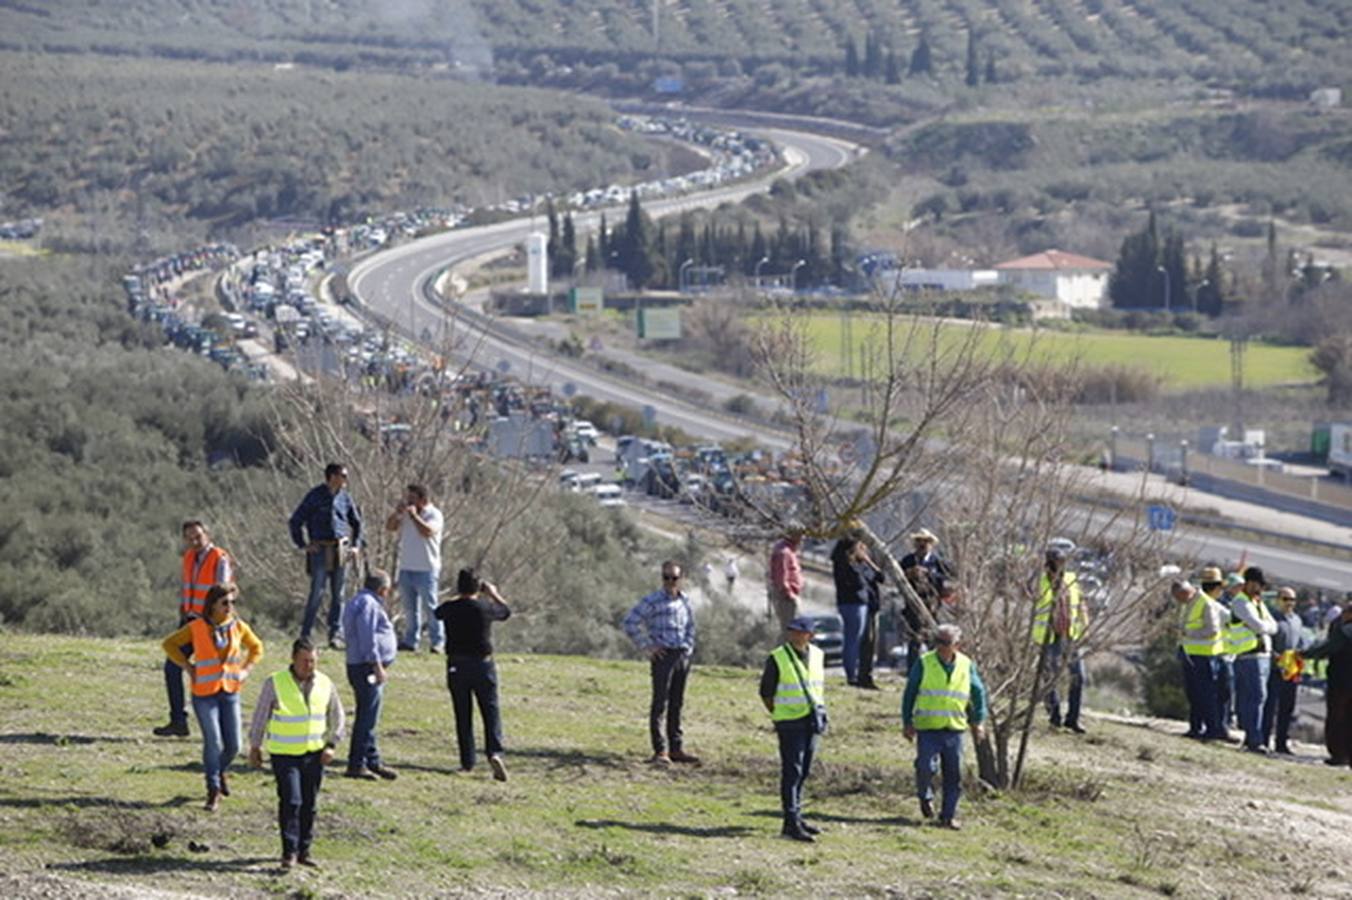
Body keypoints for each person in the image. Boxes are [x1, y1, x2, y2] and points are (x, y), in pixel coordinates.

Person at [161, 583, 263, 811]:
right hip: (204, 694)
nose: (230, 607)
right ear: (213, 605)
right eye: (225, 603)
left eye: (232, 603)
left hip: (230, 692)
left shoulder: (238, 627)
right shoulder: (196, 627)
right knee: (212, 740)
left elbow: (257, 648)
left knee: (234, 746)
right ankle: (213, 789)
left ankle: (218, 770)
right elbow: (169, 644)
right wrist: (187, 666)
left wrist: (246, 670)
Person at [248, 638, 346, 870]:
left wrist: (331, 744)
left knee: (309, 803)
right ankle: (289, 852)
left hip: (315, 754)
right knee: (291, 801)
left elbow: (337, 716)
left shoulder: (325, 683)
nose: (309, 665)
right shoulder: (275, 682)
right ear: (293, 659)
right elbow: (261, 716)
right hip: (284, 755)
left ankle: (304, 850)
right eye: (304, 661)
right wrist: (255, 746)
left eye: (313, 661)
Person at [901, 624, 987, 830]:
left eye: (946, 643)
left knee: (953, 774)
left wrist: (978, 722)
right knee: (925, 767)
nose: (941, 647)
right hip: (928, 727)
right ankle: (925, 796)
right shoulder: (924, 662)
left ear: (957, 645)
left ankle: (947, 816)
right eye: (938, 642)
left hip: (954, 728)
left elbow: (978, 693)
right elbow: (910, 692)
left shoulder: (967, 665)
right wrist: (907, 721)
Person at [156, 520, 234, 738]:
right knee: (172, 667)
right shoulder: (189, 557)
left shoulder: (219, 558)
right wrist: (184, 609)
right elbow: (188, 586)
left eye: (198, 536)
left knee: (213, 676)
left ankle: (221, 728)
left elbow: (224, 592)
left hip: (209, 625)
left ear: (207, 534)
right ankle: (178, 721)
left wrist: (214, 624)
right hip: (190, 621)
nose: (194, 541)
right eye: (190, 538)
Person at [435, 568, 512, 781]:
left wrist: (457, 595)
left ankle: (467, 762)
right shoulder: (485, 607)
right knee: (490, 711)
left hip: (457, 666)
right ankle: (494, 753)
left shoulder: (451, 608)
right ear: (479, 588)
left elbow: (437, 612)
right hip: (483, 665)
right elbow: (506, 612)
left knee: (463, 714)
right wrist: (493, 594)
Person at [623, 561, 699, 766]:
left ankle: (676, 748)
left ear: (681, 579)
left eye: (674, 578)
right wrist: (647, 646)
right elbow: (630, 622)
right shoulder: (652, 601)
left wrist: (688, 648)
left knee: (677, 703)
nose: (669, 582)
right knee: (660, 703)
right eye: (666, 577)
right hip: (663, 656)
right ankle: (660, 750)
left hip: (681, 656)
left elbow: (691, 626)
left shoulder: (686, 601)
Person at [759, 616, 827, 842]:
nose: (796, 635)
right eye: (793, 631)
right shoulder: (777, 657)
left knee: (804, 769)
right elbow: (766, 692)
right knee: (792, 770)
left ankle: (797, 816)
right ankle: (790, 822)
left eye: (801, 632)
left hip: (812, 718)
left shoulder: (818, 655)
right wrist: (780, 713)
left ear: (810, 635)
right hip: (789, 721)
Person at [289, 462, 364, 648]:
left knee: (338, 594)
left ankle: (336, 635)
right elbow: (296, 521)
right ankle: (306, 635)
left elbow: (357, 523)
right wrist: (303, 545)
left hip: (340, 548)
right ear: (332, 476)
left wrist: (355, 546)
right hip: (320, 549)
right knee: (317, 593)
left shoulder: (345, 497)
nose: (345, 480)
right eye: (343, 476)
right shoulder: (315, 496)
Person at [341, 569, 399, 781]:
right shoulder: (368, 604)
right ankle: (356, 763)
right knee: (366, 717)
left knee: (370, 715)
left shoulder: (359, 600)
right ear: (383, 589)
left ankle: (372, 760)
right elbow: (367, 635)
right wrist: (376, 664)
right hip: (366, 668)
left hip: (362, 666)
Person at [1032, 548, 1089, 733]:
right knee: (1050, 677)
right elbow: (1028, 596)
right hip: (1049, 635)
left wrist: (1085, 625)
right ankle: (1054, 715)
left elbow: (1080, 602)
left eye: (1063, 561)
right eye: (1057, 561)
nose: (1061, 565)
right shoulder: (1040, 580)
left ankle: (1073, 719)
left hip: (1070, 634)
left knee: (1078, 677)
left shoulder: (1071, 578)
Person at [387, 484, 445, 653]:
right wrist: (397, 514)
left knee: (431, 607)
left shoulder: (434, 515)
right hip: (406, 567)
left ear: (422, 499)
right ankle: (411, 640)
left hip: (427, 568)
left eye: (412, 498)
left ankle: (438, 641)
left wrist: (414, 517)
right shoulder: (406, 514)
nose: (409, 501)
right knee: (410, 609)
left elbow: (427, 532)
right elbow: (390, 527)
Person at [1229, 566, 1278, 753]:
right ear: (1249, 583)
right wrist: (1265, 627)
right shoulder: (1241, 602)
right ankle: (1254, 740)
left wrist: (1265, 627)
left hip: (1262, 656)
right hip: (1248, 656)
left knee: (1258, 698)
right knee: (1255, 698)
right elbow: (1258, 626)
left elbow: (1274, 626)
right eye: (1259, 585)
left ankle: (1253, 737)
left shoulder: (1257, 603)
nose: (1261, 590)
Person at [1299, 605, 1352, 768]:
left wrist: (1303, 654)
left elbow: (1327, 648)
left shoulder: (1346, 631)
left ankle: (1338, 754)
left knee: (1338, 717)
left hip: (1342, 681)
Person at [831, 533, 884, 688]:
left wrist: (869, 562)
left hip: (868, 603)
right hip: (854, 603)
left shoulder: (862, 563)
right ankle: (852, 674)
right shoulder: (845, 564)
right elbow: (858, 582)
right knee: (854, 639)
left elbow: (880, 577)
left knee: (866, 640)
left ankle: (862, 674)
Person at [1176, 576, 1225, 740]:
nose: (1178, 601)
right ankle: (1195, 727)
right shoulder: (1187, 604)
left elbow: (1212, 630)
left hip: (1205, 656)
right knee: (1194, 694)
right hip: (1190, 654)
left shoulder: (1205, 603)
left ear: (1186, 592)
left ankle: (1211, 730)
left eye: (1179, 597)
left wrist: (1190, 634)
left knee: (1206, 695)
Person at [899, 529, 952, 668]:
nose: (922, 545)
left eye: (926, 541)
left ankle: (934, 669)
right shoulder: (908, 560)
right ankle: (912, 672)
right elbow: (898, 578)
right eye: (919, 541)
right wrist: (910, 574)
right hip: (913, 605)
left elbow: (948, 578)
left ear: (931, 544)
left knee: (933, 639)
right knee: (914, 641)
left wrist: (929, 574)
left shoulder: (938, 562)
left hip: (933, 606)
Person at [1262, 587, 1305, 754]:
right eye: (1286, 599)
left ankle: (1281, 742)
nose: (1289, 603)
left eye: (1292, 600)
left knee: (1287, 708)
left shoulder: (1297, 620)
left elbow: (1300, 644)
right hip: (1273, 670)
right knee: (1269, 707)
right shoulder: (1272, 618)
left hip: (1291, 672)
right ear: (1278, 600)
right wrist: (1276, 658)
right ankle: (1263, 740)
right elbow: (1266, 642)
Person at [1216, 572, 1246, 731]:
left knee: (1231, 690)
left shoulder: (1239, 602)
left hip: (1234, 652)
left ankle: (1227, 721)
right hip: (1224, 652)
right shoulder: (1224, 604)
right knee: (1225, 690)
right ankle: (1222, 723)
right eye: (1238, 586)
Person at [767, 526, 805, 639]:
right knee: (790, 632)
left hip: (790, 595)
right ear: (795, 536)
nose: (803, 539)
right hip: (786, 598)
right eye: (801, 536)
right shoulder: (784, 552)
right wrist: (790, 595)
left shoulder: (790, 550)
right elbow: (781, 578)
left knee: (792, 632)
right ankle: (783, 656)